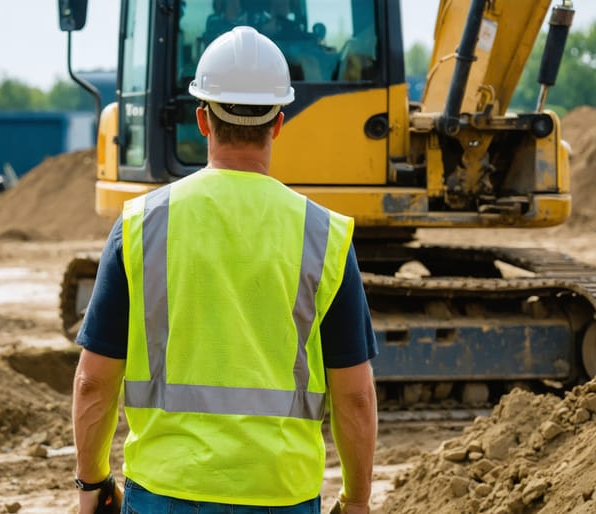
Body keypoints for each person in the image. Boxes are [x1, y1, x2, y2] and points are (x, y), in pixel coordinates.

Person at [73, 26, 378, 514]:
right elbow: (356, 396)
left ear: (201, 119)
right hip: (283, 494)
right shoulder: (324, 236)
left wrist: (92, 484)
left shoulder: (140, 226)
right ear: (278, 123)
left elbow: (93, 382)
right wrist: (357, 500)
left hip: (166, 493)